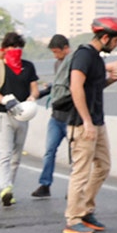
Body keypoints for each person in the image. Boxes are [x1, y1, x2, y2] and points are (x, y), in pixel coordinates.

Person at [63, 16, 117, 233]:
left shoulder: (97, 58)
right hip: (83, 124)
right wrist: (86, 121)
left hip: (97, 122)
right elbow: (76, 87)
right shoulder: (83, 55)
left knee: (103, 167)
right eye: (116, 40)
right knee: (80, 171)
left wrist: (109, 81)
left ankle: (86, 209)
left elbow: (92, 89)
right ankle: (73, 219)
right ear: (105, 37)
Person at [0, 30, 40, 206]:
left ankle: (10, 187)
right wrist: (5, 100)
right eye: (11, 47)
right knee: (5, 154)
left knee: (16, 156)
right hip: (4, 115)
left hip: (23, 115)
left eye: (18, 47)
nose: (15, 50)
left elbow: (35, 89)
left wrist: (32, 99)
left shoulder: (28, 66)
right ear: (5, 48)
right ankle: (4, 189)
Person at [32, 33, 73, 198]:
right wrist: (40, 93)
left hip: (71, 116)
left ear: (66, 48)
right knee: (49, 151)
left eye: (58, 52)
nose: (56, 56)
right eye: (54, 53)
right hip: (56, 116)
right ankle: (45, 184)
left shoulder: (75, 63)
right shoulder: (58, 64)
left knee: (74, 156)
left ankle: (73, 188)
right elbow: (57, 86)